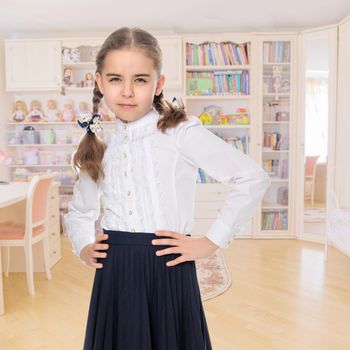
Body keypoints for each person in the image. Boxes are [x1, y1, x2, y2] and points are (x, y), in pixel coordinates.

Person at [64, 27, 271, 350]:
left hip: (168, 265)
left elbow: (252, 177)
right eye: (116, 79)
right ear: (99, 82)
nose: (128, 92)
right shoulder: (101, 143)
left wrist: (210, 241)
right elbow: (80, 211)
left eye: (141, 80)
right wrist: (83, 246)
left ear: (159, 84)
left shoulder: (180, 133)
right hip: (115, 273)